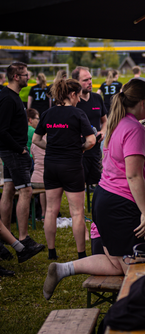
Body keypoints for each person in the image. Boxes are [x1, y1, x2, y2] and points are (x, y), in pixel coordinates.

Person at [42, 79, 145, 301]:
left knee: (117, 263)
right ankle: (134, 316)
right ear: (143, 102)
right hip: (120, 204)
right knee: (132, 268)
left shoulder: (118, 124)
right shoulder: (135, 129)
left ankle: (63, 269)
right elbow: (133, 175)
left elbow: (128, 175)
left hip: (105, 199)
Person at [32, 78, 96, 259]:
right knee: (77, 212)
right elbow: (91, 140)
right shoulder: (78, 114)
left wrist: (52, 149)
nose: (79, 100)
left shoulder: (47, 113)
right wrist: (79, 148)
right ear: (73, 94)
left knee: (51, 210)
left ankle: (52, 252)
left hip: (51, 165)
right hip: (72, 166)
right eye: (78, 96)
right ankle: (81, 254)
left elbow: (36, 140)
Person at [0, 62, 43, 253]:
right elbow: (2, 130)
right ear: (16, 77)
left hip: (10, 152)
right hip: (14, 152)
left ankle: (6, 237)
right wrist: (21, 149)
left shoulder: (12, 96)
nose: (29, 77)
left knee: (9, 190)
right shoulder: (8, 99)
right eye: (26, 75)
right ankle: (24, 239)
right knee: (25, 191)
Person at [72, 66, 107, 187]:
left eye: (90, 79)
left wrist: (102, 131)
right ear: (76, 82)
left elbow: (105, 120)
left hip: (95, 151)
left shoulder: (97, 98)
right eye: (85, 80)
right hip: (79, 151)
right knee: (79, 186)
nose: (90, 82)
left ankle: (96, 206)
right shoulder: (73, 101)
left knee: (99, 186)